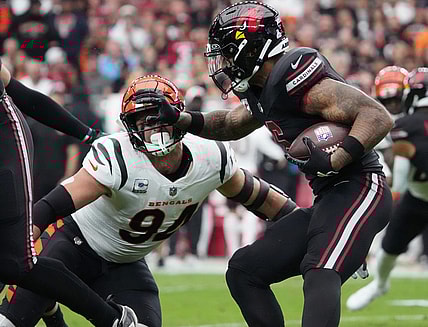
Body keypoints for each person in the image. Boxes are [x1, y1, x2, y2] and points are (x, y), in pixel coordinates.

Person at [148, 2, 394, 326]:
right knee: (243, 270)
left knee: (320, 270)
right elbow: (229, 124)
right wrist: (180, 119)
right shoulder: (264, 90)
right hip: (329, 199)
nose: (223, 62)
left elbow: (377, 116)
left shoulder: (295, 77)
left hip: (362, 188)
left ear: (250, 48)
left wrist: (337, 157)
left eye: (228, 51)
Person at [0, 74, 298, 327]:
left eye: (159, 117)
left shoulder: (211, 157)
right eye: (142, 121)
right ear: (130, 128)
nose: (153, 128)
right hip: (72, 246)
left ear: (178, 116)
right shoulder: (119, 157)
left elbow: (266, 202)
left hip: (125, 262)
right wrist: (15, 259)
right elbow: (49, 208)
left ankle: (52, 306)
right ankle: (50, 303)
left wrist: (314, 230)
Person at [0, 58, 139, 326]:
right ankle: (53, 311)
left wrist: (86, 134)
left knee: (15, 263)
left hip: (3, 137)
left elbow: (20, 93)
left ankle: (113, 320)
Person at [346, 67, 428, 311]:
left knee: (389, 247)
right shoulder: (394, 126)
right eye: (386, 101)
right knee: (389, 248)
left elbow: (399, 179)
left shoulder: (405, 126)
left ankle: (379, 282)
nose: (392, 107)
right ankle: (380, 284)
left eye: (395, 100)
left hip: (412, 192)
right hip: (416, 196)